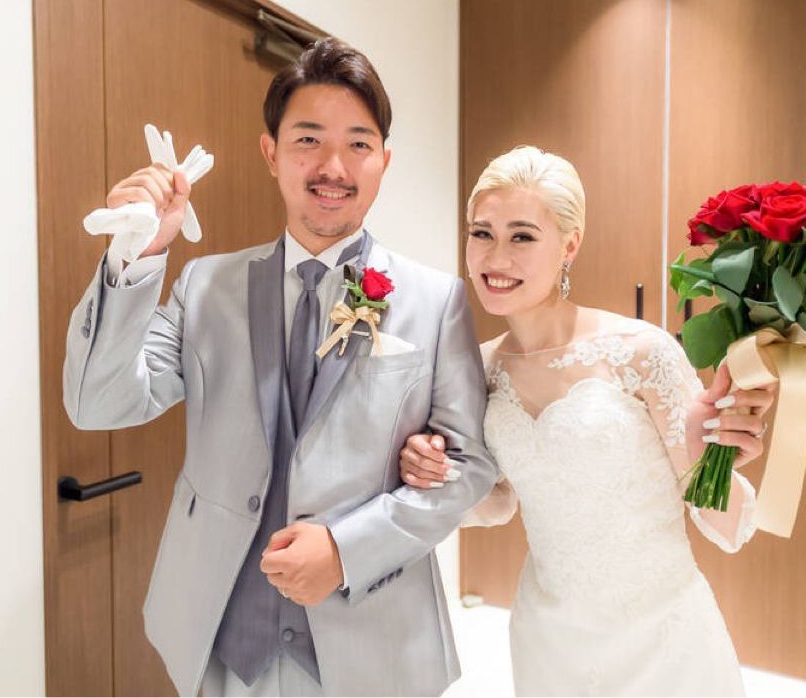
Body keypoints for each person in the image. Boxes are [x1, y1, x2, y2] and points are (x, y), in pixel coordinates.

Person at [63, 38, 499, 697]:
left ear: (384, 160)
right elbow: (98, 405)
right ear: (271, 153)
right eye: (307, 140)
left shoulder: (436, 301)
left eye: (358, 143)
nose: (332, 166)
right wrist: (136, 257)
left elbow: (468, 469)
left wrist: (348, 551)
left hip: (372, 639)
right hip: (220, 637)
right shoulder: (203, 287)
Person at [398, 146, 775, 696]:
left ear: (569, 245)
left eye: (522, 236)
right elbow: (498, 502)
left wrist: (706, 454)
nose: (496, 258)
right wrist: (433, 475)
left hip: (662, 641)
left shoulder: (642, 352)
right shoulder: (476, 369)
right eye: (482, 233)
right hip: (548, 639)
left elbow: (730, 531)